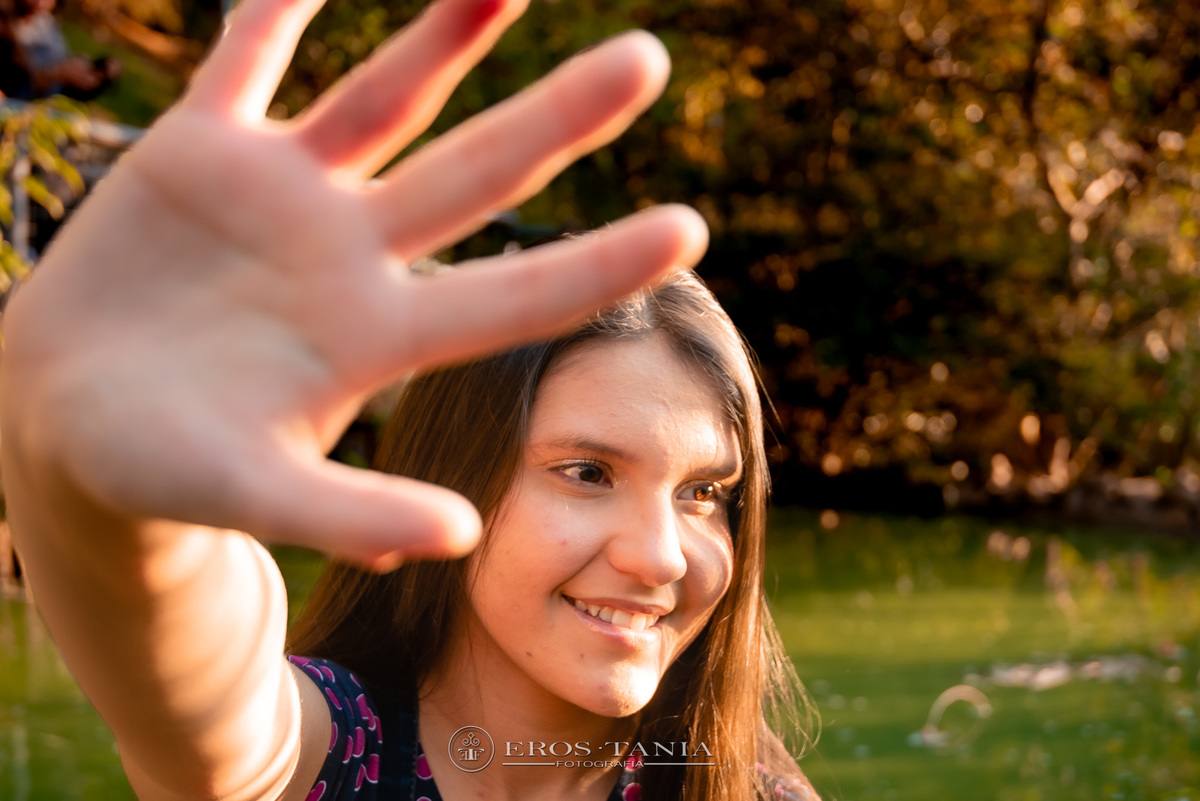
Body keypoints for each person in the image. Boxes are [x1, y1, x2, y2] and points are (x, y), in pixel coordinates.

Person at [0, 0, 818, 799]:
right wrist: (96, 483)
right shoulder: (321, 755)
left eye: (703, 493)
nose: (663, 557)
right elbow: (205, 686)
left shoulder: (744, 783)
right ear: (454, 466)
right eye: (587, 472)